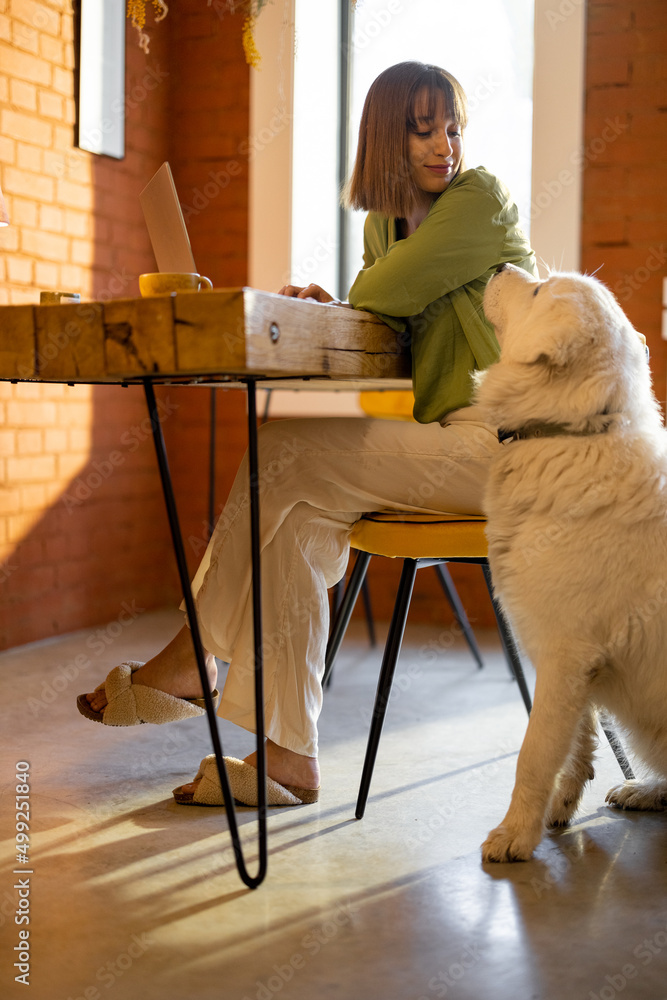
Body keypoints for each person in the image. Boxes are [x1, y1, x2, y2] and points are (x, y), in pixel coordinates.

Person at [79, 61, 537, 806]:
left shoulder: (479, 198)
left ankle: (192, 655)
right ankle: (289, 757)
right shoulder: (384, 227)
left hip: (518, 450)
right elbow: (382, 324)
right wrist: (339, 305)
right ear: (387, 137)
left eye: (450, 126)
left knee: (283, 449)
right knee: (291, 524)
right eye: (421, 128)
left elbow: (385, 293)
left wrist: (356, 300)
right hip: (453, 443)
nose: (442, 144)